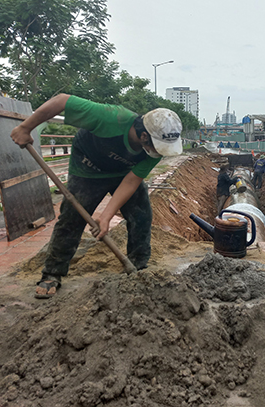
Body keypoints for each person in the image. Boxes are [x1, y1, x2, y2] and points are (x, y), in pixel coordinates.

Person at [10, 93, 183, 298]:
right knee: (71, 219)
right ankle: (52, 274)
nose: (160, 151)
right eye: (158, 146)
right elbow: (61, 100)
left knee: (141, 215)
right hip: (88, 169)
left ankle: (138, 267)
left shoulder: (154, 149)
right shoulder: (110, 117)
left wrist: (106, 216)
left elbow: (131, 181)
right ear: (144, 135)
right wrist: (25, 128)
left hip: (123, 174)